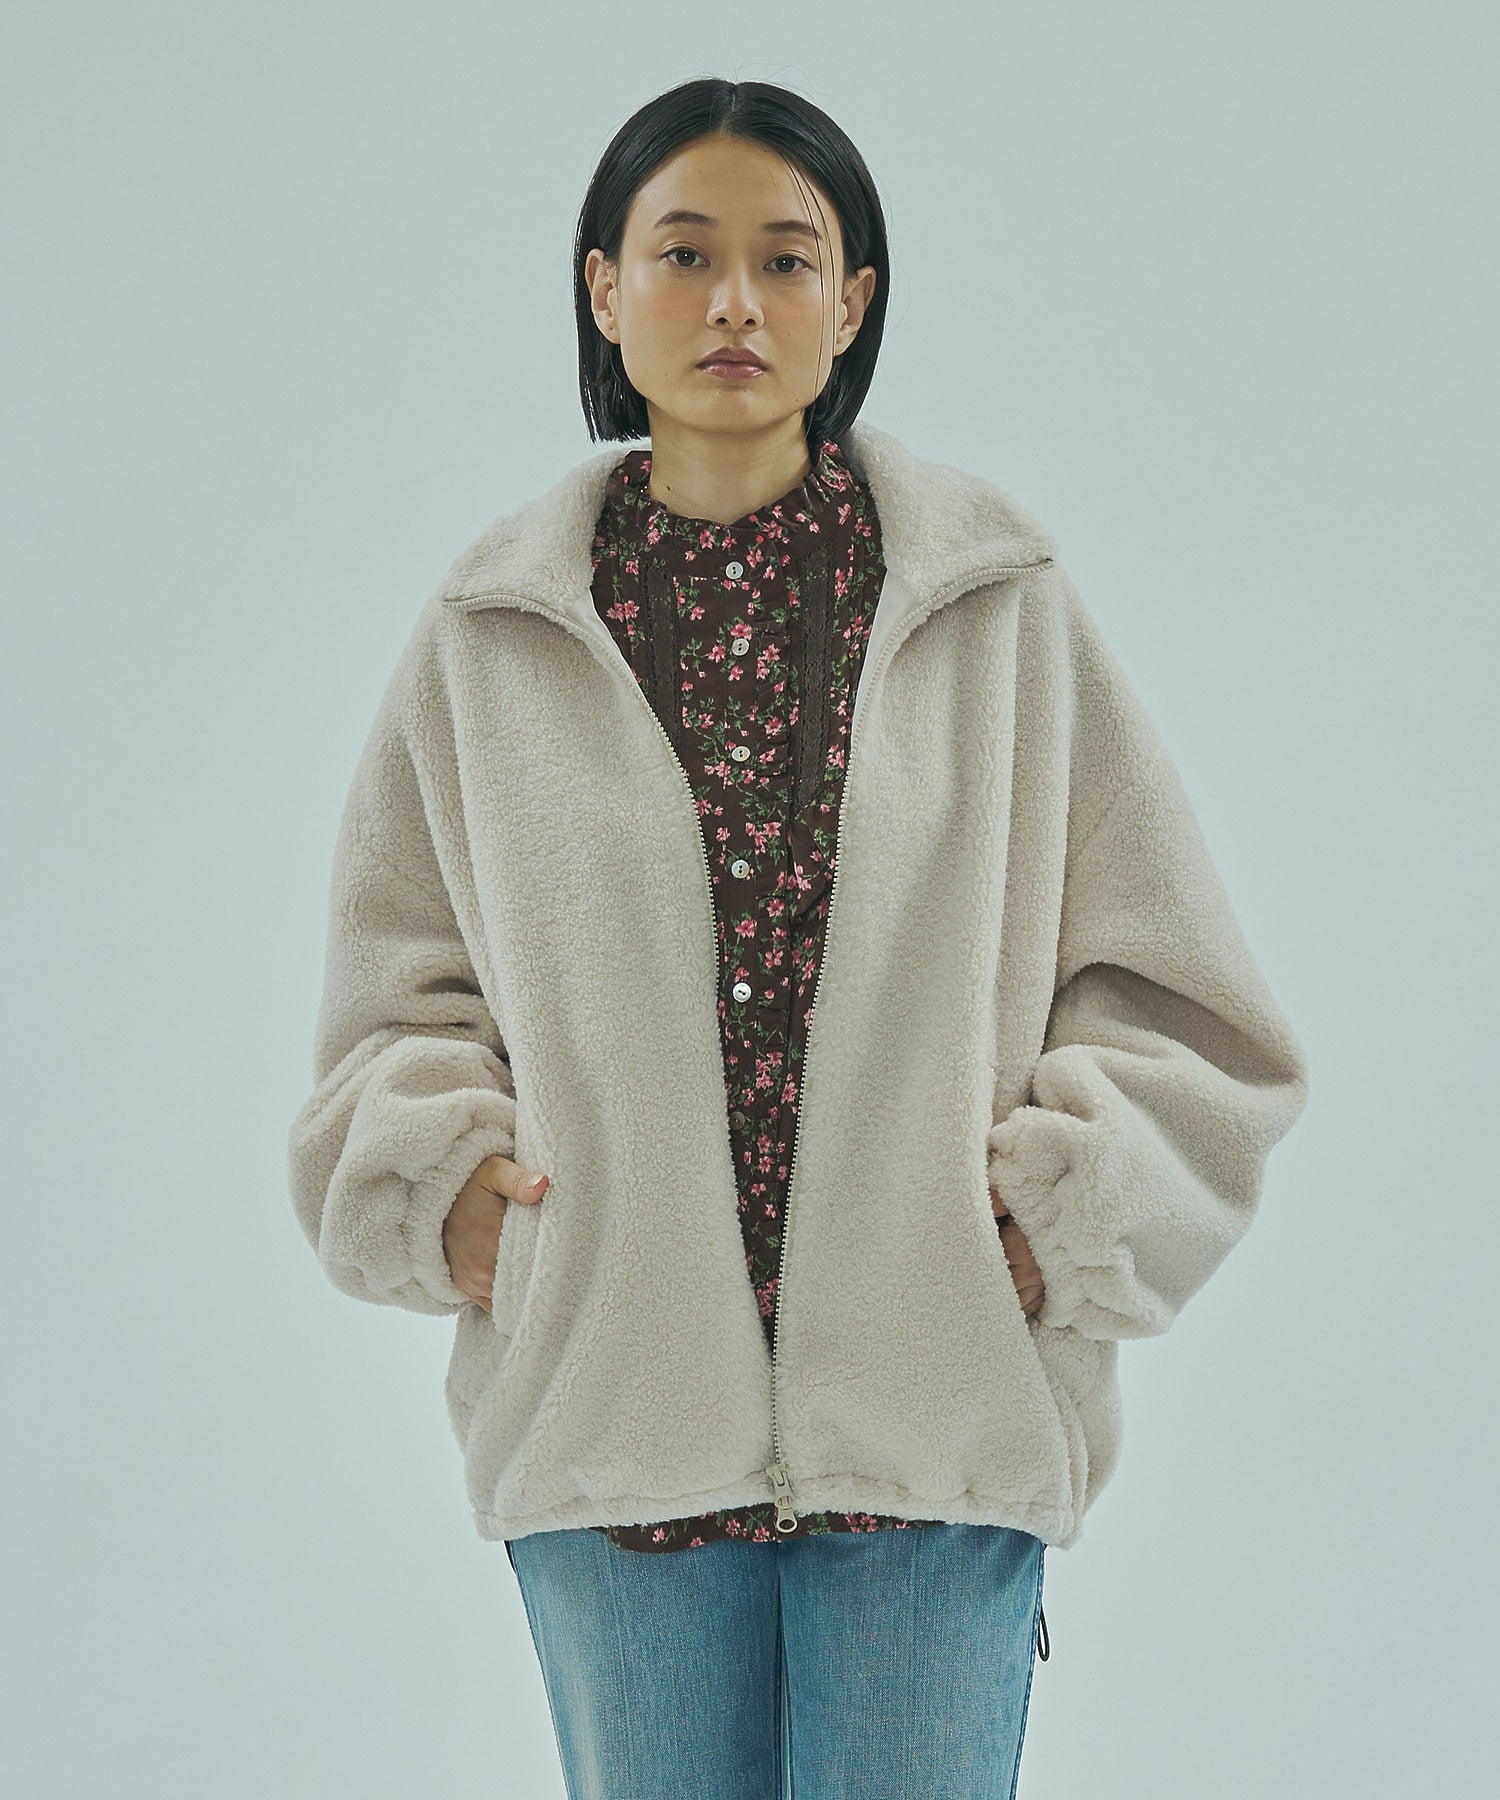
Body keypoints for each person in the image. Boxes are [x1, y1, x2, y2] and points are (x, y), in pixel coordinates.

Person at [287, 76, 1309, 1800]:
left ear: (853, 303)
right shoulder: (490, 637)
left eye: (787, 258)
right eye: (684, 254)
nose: (736, 304)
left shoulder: (997, 607)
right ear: (604, 289)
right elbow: (396, 995)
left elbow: (1182, 997)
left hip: (936, 1420)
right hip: (613, 1427)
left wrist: (1061, 1210)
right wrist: (445, 1190)